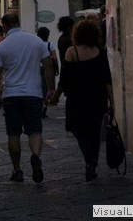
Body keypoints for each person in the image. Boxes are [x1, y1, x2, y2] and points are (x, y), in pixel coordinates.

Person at [0, 13, 56, 183]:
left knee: (13, 133)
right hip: (34, 94)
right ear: (18, 23)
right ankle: (35, 156)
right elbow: (48, 65)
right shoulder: (37, 42)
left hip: (11, 95)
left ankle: (17, 170)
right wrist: (51, 88)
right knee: (35, 130)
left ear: (5, 25)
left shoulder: (2, 46)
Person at [51, 19, 115, 181]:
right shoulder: (99, 51)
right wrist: (112, 102)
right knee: (94, 131)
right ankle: (93, 161)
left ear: (76, 34)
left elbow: (64, 79)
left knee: (78, 130)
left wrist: (56, 96)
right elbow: (107, 79)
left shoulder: (72, 52)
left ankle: (89, 159)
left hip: (77, 98)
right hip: (97, 98)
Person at [36, 27, 59, 117]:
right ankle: (44, 106)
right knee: (46, 88)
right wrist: (56, 68)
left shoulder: (37, 44)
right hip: (47, 68)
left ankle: (39, 106)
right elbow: (54, 58)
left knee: (39, 87)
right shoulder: (50, 44)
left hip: (38, 68)